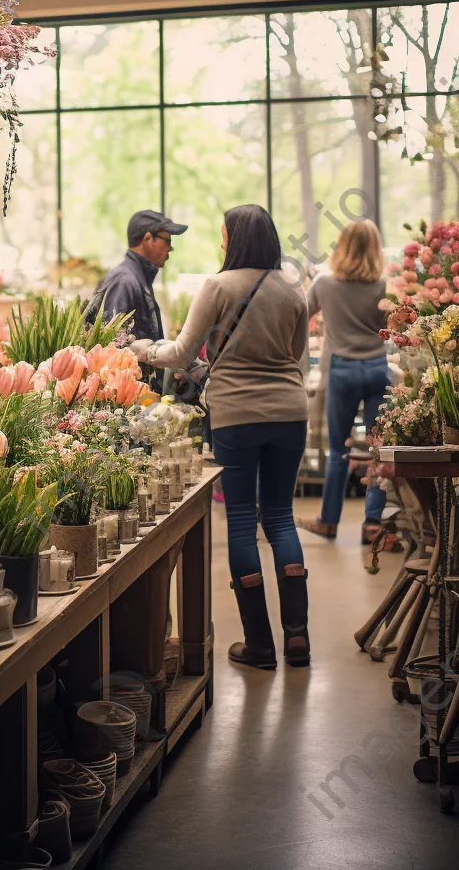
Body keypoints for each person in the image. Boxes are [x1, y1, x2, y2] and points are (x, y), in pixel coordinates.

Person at [131, 204, 311, 670]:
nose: (221, 242)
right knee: (281, 518)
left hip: (236, 415)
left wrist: (137, 347)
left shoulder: (217, 286)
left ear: (235, 239)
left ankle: (260, 645)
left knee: (240, 523)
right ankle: (297, 638)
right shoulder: (294, 291)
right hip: (290, 413)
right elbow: (297, 359)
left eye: (224, 235)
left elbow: (179, 353)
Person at [297, 219, 389, 544]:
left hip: (343, 370)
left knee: (339, 450)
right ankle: (372, 524)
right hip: (378, 368)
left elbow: (298, 314)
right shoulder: (382, 286)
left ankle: (328, 521)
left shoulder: (323, 282)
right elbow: (388, 327)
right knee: (380, 450)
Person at [91, 210, 187, 389]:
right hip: (128, 395)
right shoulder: (124, 281)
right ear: (148, 239)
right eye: (168, 241)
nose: (170, 249)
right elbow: (112, 346)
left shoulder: (137, 277)